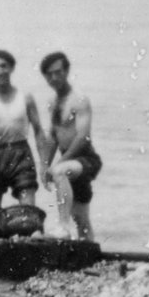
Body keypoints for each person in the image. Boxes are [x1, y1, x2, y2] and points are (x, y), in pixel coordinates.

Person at [0, 49, 48, 233]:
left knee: (29, 213)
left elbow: (38, 132)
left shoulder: (25, 98)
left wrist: (44, 164)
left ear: (11, 68)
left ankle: (29, 247)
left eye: (4, 66)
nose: (0, 71)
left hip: (21, 153)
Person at [40, 51, 102, 241]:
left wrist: (60, 162)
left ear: (66, 71)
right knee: (81, 219)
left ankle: (62, 226)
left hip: (85, 158)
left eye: (58, 72)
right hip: (70, 163)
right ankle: (91, 256)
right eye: (49, 74)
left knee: (59, 171)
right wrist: (44, 165)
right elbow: (53, 136)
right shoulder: (53, 102)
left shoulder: (79, 99)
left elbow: (83, 137)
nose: (54, 77)